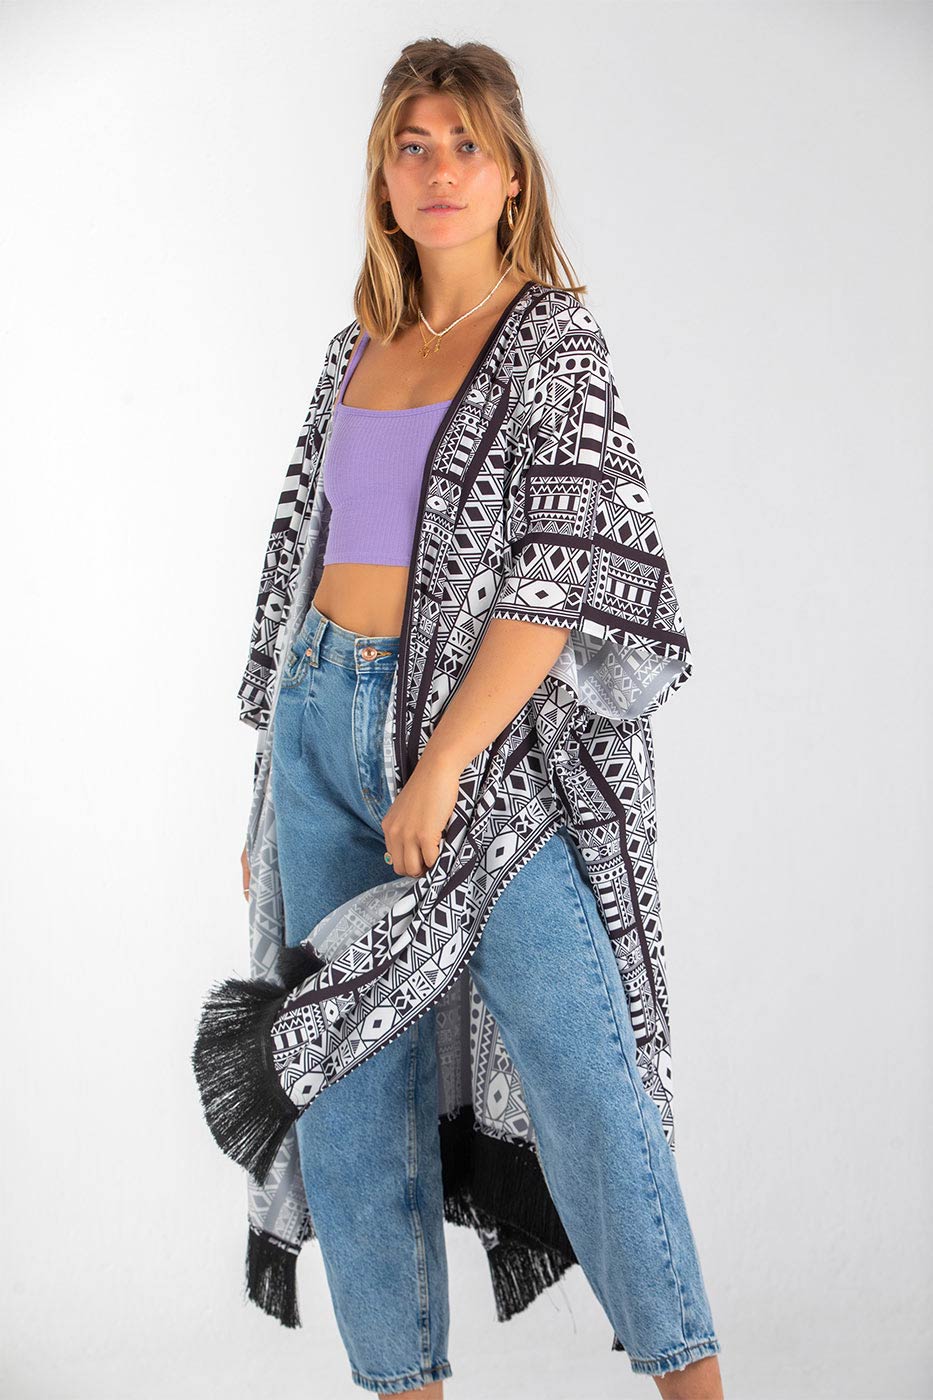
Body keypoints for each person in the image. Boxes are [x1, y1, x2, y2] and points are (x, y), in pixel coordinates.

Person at [237, 38, 724, 1400]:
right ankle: (405, 1384)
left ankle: (692, 1382)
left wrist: (443, 758)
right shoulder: (356, 351)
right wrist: (267, 795)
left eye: (466, 145)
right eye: (413, 145)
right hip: (318, 728)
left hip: (484, 758)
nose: (439, 169)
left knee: (583, 1071)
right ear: (384, 179)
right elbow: (300, 567)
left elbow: (559, 576)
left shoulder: (552, 343)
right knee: (348, 1089)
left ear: (512, 176)